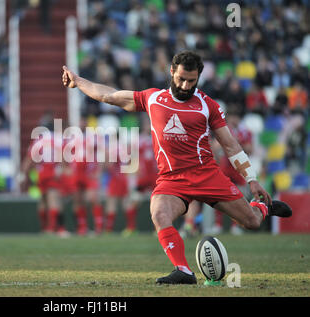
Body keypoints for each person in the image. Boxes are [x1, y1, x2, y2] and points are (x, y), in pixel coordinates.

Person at [62, 51, 292, 285]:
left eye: (191, 81)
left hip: (207, 175)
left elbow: (230, 145)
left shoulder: (207, 105)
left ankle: (262, 208)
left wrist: (251, 179)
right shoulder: (153, 99)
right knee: (159, 214)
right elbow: (109, 95)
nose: (185, 85)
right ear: (171, 72)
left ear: (198, 77)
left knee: (251, 222)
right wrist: (78, 81)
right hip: (172, 179)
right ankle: (183, 270)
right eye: (181, 79)